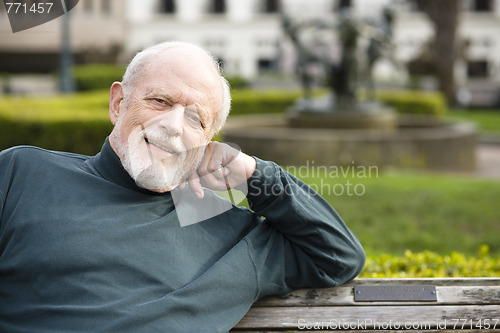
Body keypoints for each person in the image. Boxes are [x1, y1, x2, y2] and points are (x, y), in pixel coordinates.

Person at [0, 41, 365, 332]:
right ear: (118, 103)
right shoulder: (22, 173)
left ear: (208, 139)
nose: (174, 126)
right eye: (160, 101)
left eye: (195, 118)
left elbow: (338, 255)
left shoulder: (227, 231)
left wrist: (255, 175)